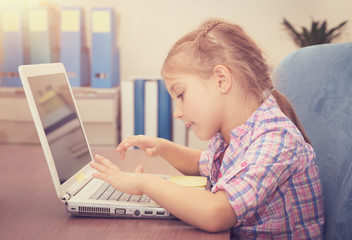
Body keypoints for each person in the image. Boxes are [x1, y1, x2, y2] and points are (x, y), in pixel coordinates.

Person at [90, 19, 324, 239]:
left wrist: (143, 183)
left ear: (221, 80)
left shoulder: (275, 138)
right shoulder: (235, 134)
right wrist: (162, 147)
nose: (177, 111)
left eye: (180, 95)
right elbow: (202, 163)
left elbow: (216, 213)